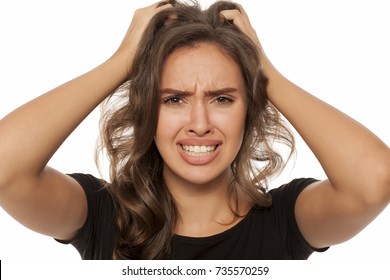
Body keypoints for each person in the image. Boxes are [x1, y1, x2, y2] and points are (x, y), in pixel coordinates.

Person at [0, 0, 389, 260]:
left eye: (222, 98)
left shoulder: (286, 219)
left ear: (249, 110)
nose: (200, 125)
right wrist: (121, 62)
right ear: (146, 111)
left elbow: (375, 179)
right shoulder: (104, 215)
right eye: (173, 99)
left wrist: (265, 74)